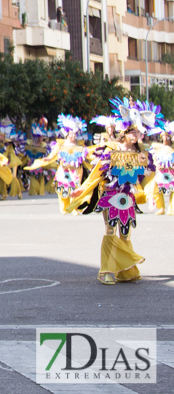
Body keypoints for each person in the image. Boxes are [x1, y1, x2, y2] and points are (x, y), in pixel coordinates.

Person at [67, 99, 158, 285]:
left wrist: (151, 197)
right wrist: (82, 189)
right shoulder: (111, 150)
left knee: (125, 233)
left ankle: (125, 271)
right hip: (109, 195)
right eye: (134, 131)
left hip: (128, 197)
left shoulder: (142, 154)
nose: (137, 134)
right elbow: (96, 174)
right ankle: (106, 270)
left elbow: (148, 179)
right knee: (110, 230)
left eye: (139, 131)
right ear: (124, 131)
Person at [28, 115, 89, 215]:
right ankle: (64, 208)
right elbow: (53, 154)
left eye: (74, 134)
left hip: (76, 170)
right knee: (64, 188)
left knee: (75, 189)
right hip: (64, 169)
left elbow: (87, 154)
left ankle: (74, 208)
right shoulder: (61, 144)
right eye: (71, 134)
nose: (73, 136)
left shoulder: (80, 145)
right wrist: (48, 158)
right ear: (67, 134)